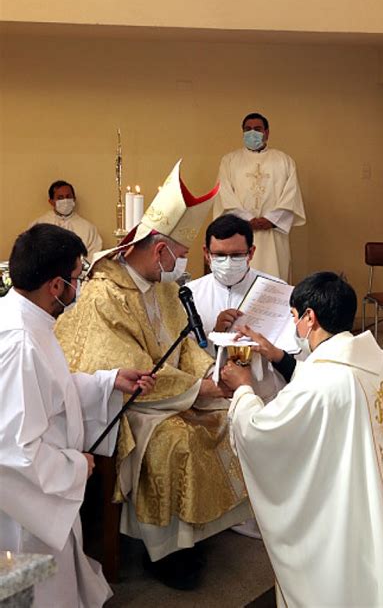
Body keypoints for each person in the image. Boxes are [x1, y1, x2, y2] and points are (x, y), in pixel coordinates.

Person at [55, 161, 250, 590]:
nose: (182, 263)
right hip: (122, 403)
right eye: (179, 254)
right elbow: (127, 370)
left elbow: (185, 346)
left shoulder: (163, 286)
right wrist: (197, 388)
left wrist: (212, 375)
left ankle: (195, 531)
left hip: (171, 392)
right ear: (158, 249)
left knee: (229, 415)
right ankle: (164, 550)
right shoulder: (107, 292)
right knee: (174, 440)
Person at [221, 272, 383, 607]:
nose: (296, 324)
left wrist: (243, 388)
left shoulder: (324, 380)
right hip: (382, 502)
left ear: (310, 317)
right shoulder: (377, 360)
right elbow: (326, 392)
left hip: (347, 514)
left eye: (295, 317)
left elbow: (260, 430)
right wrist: (280, 357)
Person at [0, 223, 155, 608]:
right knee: (31, 588)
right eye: (76, 277)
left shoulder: (24, 317)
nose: (79, 286)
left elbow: (50, 389)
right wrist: (74, 465)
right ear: (55, 286)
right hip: (24, 506)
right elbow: (13, 452)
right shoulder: (20, 342)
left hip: (35, 491)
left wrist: (107, 381)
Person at [187, 213, 292, 403]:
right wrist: (215, 334)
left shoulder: (276, 290)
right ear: (206, 253)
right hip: (212, 396)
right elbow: (184, 355)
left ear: (251, 253)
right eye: (219, 255)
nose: (227, 263)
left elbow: (290, 350)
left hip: (263, 395)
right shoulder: (190, 295)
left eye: (236, 255)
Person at [213, 112, 306, 281]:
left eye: (257, 129)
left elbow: (291, 196)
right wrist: (246, 220)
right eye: (247, 129)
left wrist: (271, 220)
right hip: (240, 234)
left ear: (267, 132)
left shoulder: (284, 161)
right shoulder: (229, 161)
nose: (252, 133)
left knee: (274, 280)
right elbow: (224, 194)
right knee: (241, 281)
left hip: (274, 234)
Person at [32, 180, 103, 259]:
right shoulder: (39, 226)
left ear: (74, 199)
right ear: (51, 201)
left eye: (68, 196)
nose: (65, 201)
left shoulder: (88, 229)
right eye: (60, 198)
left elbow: (93, 257)